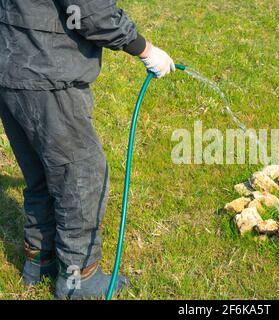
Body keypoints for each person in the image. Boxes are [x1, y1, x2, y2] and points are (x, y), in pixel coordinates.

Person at [0, 0, 174, 299]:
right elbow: (91, 12)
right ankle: (79, 280)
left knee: (42, 173)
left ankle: (39, 260)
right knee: (80, 181)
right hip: (47, 73)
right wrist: (144, 48)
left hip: (12, 64)